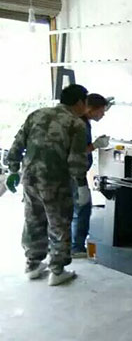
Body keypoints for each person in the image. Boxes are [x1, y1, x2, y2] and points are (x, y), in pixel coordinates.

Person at [6, 84, 90, 286]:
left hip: (30, 178)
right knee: (59, 223)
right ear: (79, 102)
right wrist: (81, 185)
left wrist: (13, 168)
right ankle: (57, 271)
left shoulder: (37, 114)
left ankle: (33, 265)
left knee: (33, 219)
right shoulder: (75, 124)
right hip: (56, 181)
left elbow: (17, 144)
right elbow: (76, 159)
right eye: (85, 103)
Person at [71, 93, 110, 257]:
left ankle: (64, 245)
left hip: (73, 173)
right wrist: (95, 145)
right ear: (90, 109)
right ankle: (76, 247)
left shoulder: (82, 121)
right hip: (75, 174)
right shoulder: (80, 124)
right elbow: (77, 150)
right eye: (101, 111)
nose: (103, 114)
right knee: (82, 208)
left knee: (73, 209)